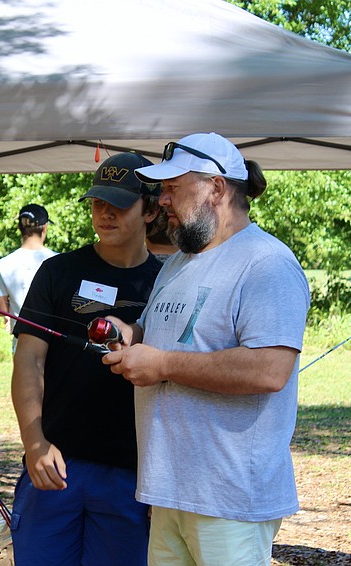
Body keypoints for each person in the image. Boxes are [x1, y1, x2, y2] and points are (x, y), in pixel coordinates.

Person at [102, 132, 310, 565]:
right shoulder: (179, 261)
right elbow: (173, 337)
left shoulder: (266, 263)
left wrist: (160, 364)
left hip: (229, 498)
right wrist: (133, 337)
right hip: (169, 488)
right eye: (162, 189)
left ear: (216, 188)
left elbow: (269, 371)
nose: (162, 201)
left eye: (172, 188)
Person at [10, 153, 162, 566]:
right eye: (97, 202)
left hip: (133, 476)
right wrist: (34, 441)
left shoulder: (168, 281)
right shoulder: (57, 271)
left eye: (119, 203)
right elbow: (28, 361)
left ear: (150, 209)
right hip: (55, 464)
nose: (105, 213)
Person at [0, 204, 57, 349]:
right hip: (54, 341)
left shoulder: (4, 263)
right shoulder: (59, 261)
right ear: (45, 227)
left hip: (21, 340)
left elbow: (0, 307)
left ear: (19, 228)